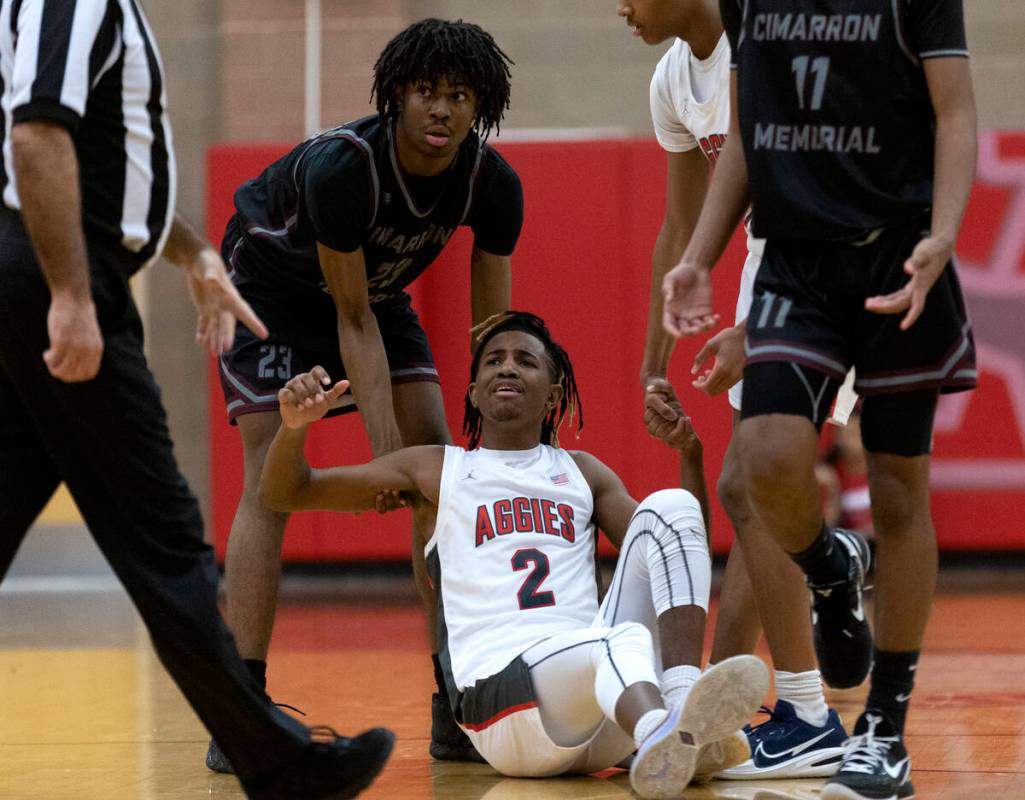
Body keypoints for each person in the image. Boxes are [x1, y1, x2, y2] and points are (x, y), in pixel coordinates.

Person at [0, 0, 393, 797]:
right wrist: (72, 294)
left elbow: (110, 170)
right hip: (51, 276)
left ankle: (271, 754)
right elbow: (37, 138)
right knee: (166, 538)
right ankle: (277, 761)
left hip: (39, 271)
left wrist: (194, 254)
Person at [661, 0, 978, 797]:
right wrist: (699, 254)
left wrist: (942, 234)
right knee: (764, 461)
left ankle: (884, 729)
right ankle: (829, 562)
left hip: (897, 254)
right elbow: (744, 135)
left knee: (900, 488)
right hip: (793, 264)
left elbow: (955, 109)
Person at [258, 311, 770, 798]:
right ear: (473, 392)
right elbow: (287, 492)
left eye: (525, 360)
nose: (507, 365)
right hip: (503, 708)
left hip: (601, 711)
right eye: (493, 360)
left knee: (671, 508)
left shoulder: (581, 472)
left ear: (552, 395)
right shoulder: (437, 470)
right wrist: (294, 427)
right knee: (621, 640)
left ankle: (676, 711)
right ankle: (669, 729)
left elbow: (679, 554)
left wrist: (690, 456)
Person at [210, 17, 523, 770]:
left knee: (441, 478)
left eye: (458, 94)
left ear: (479, 104)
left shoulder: (491, 181)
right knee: (269, 479)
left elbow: (491, 328)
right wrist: (387, 462)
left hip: (373, 296)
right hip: (273, 292)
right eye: (425, 92)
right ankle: (240, 711)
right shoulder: (344, 170)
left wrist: (488, 446)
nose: (441, 109)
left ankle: (456, 697)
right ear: (394, 97)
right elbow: (348, 320)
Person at [618, 0, 850, 779]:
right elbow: (682, 224)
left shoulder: (768, 44)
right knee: (749, 485)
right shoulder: (671, 80)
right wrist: (655, 359)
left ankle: (805, 696)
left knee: (758, 480)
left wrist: (752, 331)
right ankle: (736, 705)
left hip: (828, 264)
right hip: (769, 275)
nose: (617, 5)